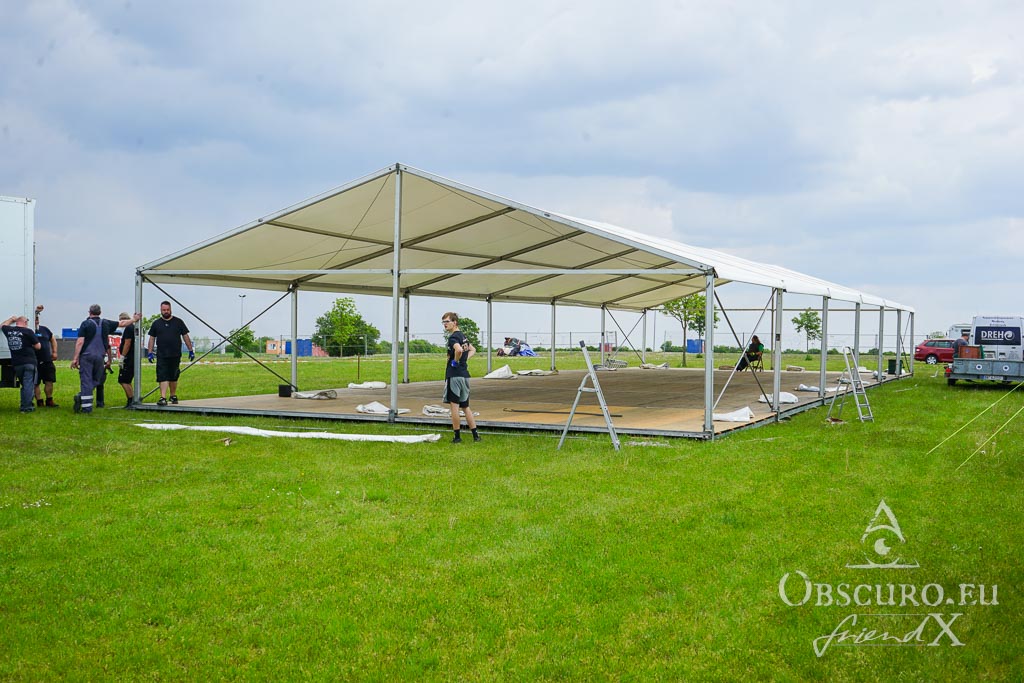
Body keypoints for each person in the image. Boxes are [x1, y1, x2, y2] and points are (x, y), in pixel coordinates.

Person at [70, 305, 140, 413]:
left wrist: (75, 358)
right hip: (100, 357)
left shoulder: (85, 324)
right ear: (100, 312)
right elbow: (122, 323)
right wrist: (134, 319)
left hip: (87, 356)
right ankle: (83, 396)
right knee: (98, 380)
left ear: (89, 312)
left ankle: (86, 407)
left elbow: (80, 342)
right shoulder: (106, 323)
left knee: (86, 381)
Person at [441, 312, 480, 443]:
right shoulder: (463, 336)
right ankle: (475, 435)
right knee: (465, 406)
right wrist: (464, 359)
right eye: (443, 322)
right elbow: (472, 349)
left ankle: (457, 437)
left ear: (455, 322)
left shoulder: (453, 338)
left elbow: (458, 350)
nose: (445, 324)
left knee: (454, 406)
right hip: (465, 375)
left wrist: (456, 361)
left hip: (454, 375)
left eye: (447, 321)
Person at [146, 301, 194, 406]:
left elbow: (185, 336)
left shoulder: (178, 322)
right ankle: (163, 397)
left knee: (173, 376)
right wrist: (149, 352)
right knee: (162, 375)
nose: (166, 312)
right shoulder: (156, 323)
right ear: (161, 310)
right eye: (164, 310)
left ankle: (173, 395)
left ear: (170, 309)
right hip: (162, 355)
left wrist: (190, 350)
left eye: (168, 310)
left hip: (175, 354)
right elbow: (152, 338)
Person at [2, 313, 41, 413]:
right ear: (25, 322)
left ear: (17, 322)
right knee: (28, 385)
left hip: (17, 363)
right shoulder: (28, 331)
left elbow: (2, 325)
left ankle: (25, 404)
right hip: (29, 362)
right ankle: (26, 407)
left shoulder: (9, 331)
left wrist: (11, 319)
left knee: (24, 385)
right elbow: (38, 346)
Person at [33, 305, 59, 408]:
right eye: (35, 319)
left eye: (37, 319)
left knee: (49, 381)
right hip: (34, 361)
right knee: (35, 383)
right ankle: (39, 401)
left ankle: (49, 400)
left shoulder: (44, 329)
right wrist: (36, 311)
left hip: (47, 360)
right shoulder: (29, 330)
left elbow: (52, 339)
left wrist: (54, 352)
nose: (37, 321)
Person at [116, 312, 137, 408]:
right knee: (127, 380)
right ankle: (132, 399)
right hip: (132, 357)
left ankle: (131, 400)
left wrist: (122, 356)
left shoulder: (128, 328)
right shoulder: (132, 327)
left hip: (128, 358)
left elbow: (127, 343)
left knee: (123, 380)